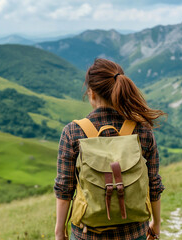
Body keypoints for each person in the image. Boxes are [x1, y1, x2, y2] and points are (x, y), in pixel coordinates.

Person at [54, 58, 166, 240]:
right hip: (134, 232)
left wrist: (60, 232)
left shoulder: (72, 132)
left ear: (91, 93)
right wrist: (156, 223)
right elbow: (154, 184)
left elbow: (64, 188)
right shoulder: (142, 130)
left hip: (86, 234)